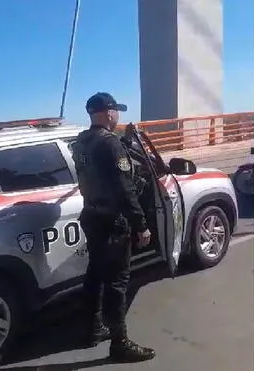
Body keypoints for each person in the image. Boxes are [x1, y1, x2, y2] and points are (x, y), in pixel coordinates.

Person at [72, 92, 155, 362]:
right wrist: (141, 224)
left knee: (95, 274)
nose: (118, 115)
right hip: (112, 222)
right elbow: (125, 188)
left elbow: (97, 171)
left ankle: (91, 328)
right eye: (116, 111)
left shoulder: (81, 142)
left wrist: (126, 143)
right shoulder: (110, 144)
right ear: (109, 113)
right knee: (117, 282)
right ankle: (120, 343)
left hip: (92, 216)